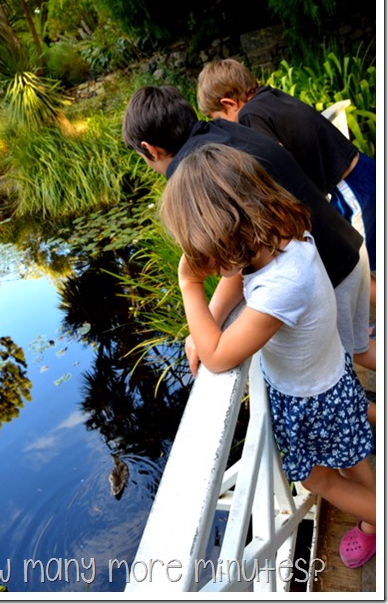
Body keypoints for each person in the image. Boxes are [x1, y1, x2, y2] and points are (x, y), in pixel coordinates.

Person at [159, 142, 376, 569]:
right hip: (329, 379)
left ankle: (376, 515)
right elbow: (237, 276)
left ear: (227, 237)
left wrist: (189, 285)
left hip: (313, 400)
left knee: (318, 478)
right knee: (352, 455)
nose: (203, 262)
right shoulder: (279, 236)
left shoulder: (281, 286)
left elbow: (217, 356)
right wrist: (209, 318)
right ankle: (372, 507)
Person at [122, 85, 376, 376]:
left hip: (330, 270)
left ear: (149, 149)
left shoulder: (195, 172)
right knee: (359, 348)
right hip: (342, 243)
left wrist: (201, 314)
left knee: (344, 364)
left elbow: (235, 254)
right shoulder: (220, 131)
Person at [196, 58, 376, 306]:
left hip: (353, 189)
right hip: (364, 172)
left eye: (219, 118)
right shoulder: (271, 96)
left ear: (229, 104)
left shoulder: (250, 115)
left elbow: (275, 162)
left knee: (363, 269)